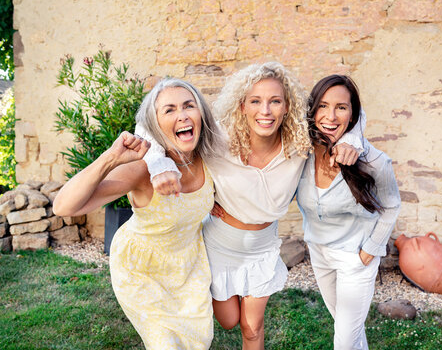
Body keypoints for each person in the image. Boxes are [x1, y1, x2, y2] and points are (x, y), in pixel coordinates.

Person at [137, 63, 362, 350]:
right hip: (220, 243)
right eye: (255, 101)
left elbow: (346, 117)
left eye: (275, 101)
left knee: (251, 327)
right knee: (229, 320)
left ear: (287, 106)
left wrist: (353, 139)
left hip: (262, 248)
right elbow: (146, 126)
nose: (265, 111)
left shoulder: (300, 142)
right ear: (242, 106)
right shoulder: (218, 138)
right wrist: (158, 164)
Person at [53, 78, 224, 350]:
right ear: (154, 124)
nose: (182, 115)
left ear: (200, 113)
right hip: (141, 268)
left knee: (197, 343)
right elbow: (63, 206)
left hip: (189, 266)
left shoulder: (210, 159)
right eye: (169, 110)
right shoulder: (142, 171)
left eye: (188, 106)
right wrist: (110, 157)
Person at [296, 75, 401, 349]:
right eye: (322, 106)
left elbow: (392, 206)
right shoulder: (302, 153)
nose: (330, 116)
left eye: (341, 107)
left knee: (343, 341)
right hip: (319, 254)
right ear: (312, 109)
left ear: (353, 113)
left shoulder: (373, 160)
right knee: (348, 332)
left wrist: (370, 250)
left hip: (356, 258)